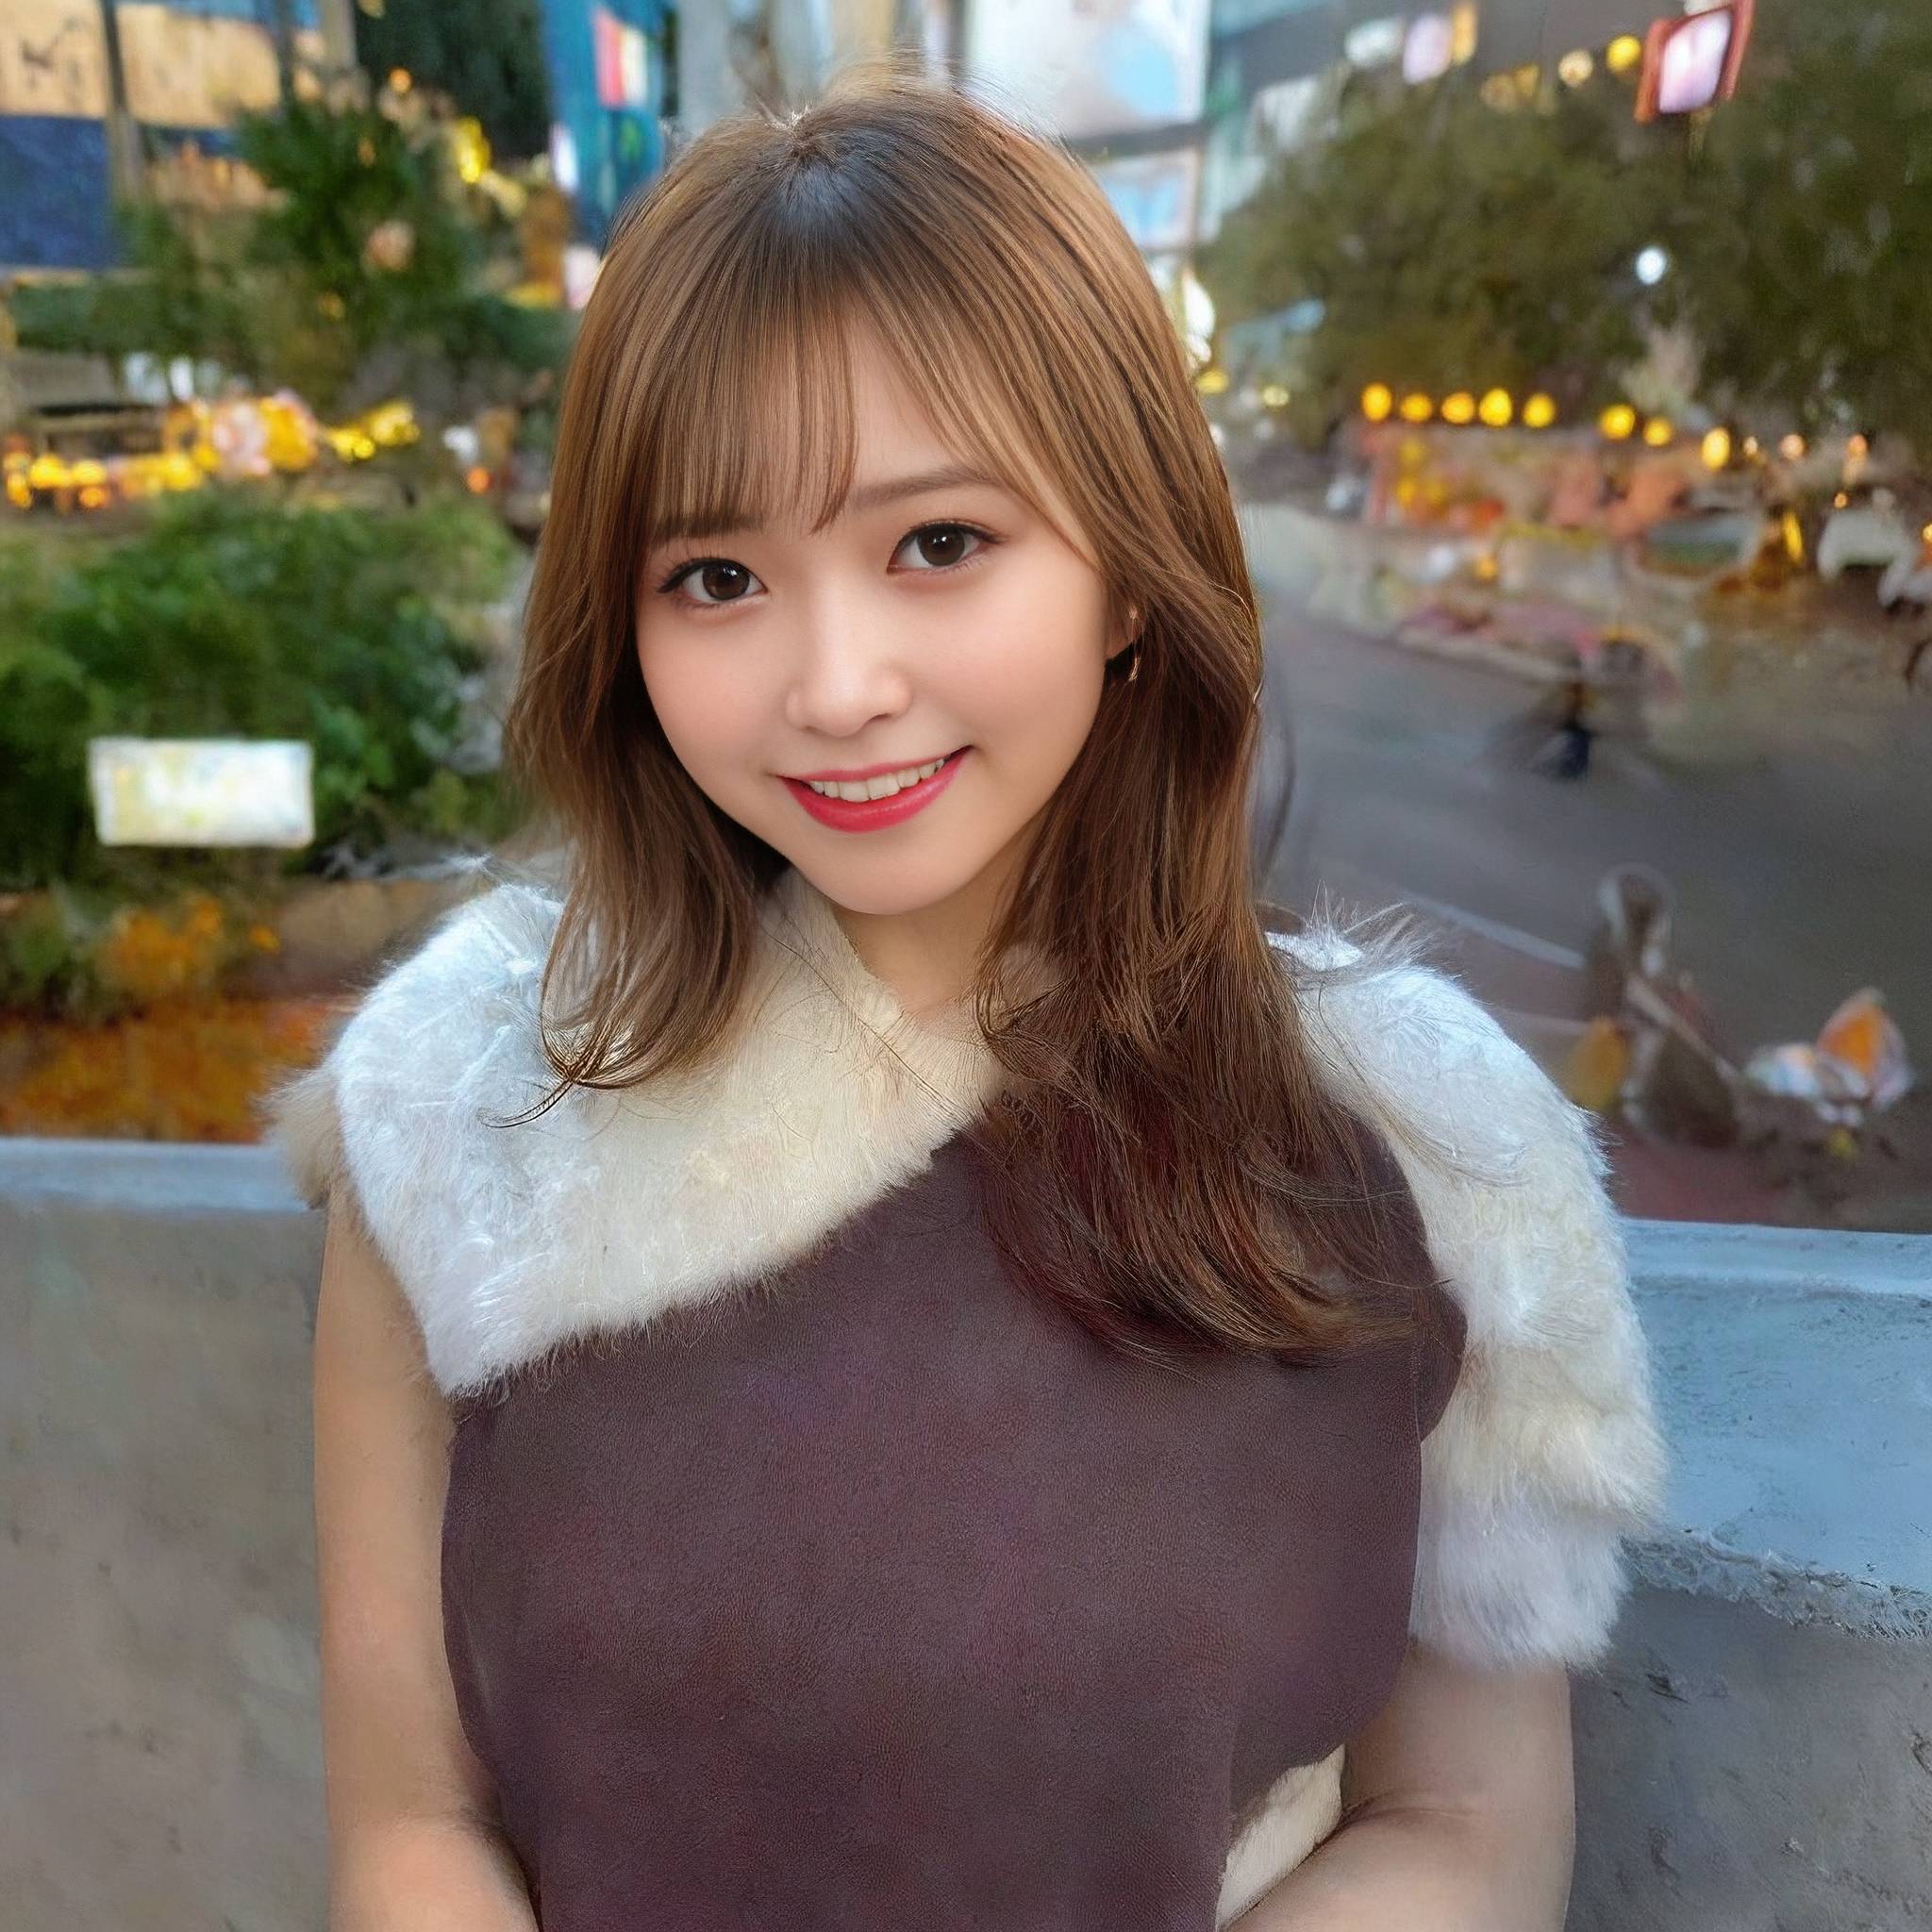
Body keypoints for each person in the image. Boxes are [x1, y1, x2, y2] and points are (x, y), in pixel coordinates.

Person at [267, 64, 1666, 1931]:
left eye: (938, 543)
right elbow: (412, 1826)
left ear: (1127, 574)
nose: (835, 684)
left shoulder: (1426, 1141)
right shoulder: (461, 1106)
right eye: (717, 575)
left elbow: (1464, 1822)